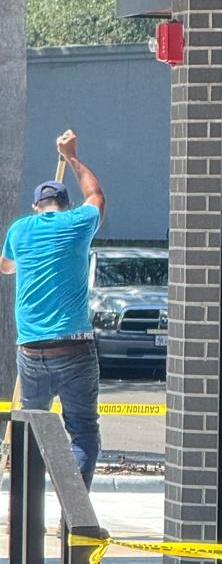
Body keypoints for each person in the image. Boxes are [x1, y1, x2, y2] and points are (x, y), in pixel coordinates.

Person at [1, 131, 106, 488]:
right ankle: (74, 512)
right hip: (74, 346)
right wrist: (71, 156)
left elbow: (6, 266)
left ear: (36, 207)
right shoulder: (77, 223)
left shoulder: (20, 231)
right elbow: (96, 196)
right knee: (83, 432)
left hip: (31, 349)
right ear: (66, 204)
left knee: (32, 431)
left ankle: (26, 513)